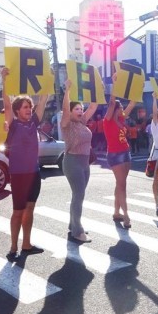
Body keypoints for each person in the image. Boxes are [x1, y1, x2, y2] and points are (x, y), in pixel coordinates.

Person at [2, 68, 49, 261]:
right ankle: (13, 247)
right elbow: (6, 104)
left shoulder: (33, 124)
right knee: (17, 211)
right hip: (19, 175)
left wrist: (48, 79)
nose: (29, 109)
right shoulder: (13, 124)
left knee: (30, 209)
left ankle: (26, 244)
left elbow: (43, 100)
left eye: (29, 107)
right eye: (24, 107)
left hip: (34, 174)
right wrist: (4, 80)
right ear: (17, 111)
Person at [60, 80, 98, 243]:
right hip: (72, 161)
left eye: (81, 108)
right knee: (79, 195)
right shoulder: (66, 124)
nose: (81, 111)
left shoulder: (82, 122)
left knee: (78, 196)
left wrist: (98, 90)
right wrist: (67, 90)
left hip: (84, 163)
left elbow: (93, 106)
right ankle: (77, 231)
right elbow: (65, 110)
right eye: (77, 108)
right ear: (70, 111)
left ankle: (73, 225)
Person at [104, 92, 136, 228]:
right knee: (122, 185)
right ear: (115, 109)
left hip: (126, 152)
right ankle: (126, 215)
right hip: (115, 154)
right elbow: (111, 103)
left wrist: (137, 88)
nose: (123, 109)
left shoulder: (122, 119)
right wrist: (115, 85)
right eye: (121, 107)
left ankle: (117, 212)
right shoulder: (107, 120)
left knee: (120, 184)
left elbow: (132, 103)